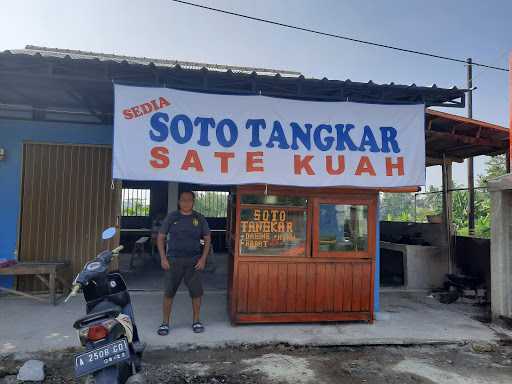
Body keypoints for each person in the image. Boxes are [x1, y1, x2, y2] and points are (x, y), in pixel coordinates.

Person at [156, 191, 211, 335]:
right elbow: (161, 237)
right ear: (179, 201)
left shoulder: (199, 218)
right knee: (169, 292)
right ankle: (165, 323)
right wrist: (163, 258)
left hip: (194, 261)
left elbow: (207, 238)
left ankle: (196, 321)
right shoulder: (172, 217)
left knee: (196, 293)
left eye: (189, 200)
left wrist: (203, 259)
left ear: (193, 202)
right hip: (173, 260)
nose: (186, 202)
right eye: (183, 200)